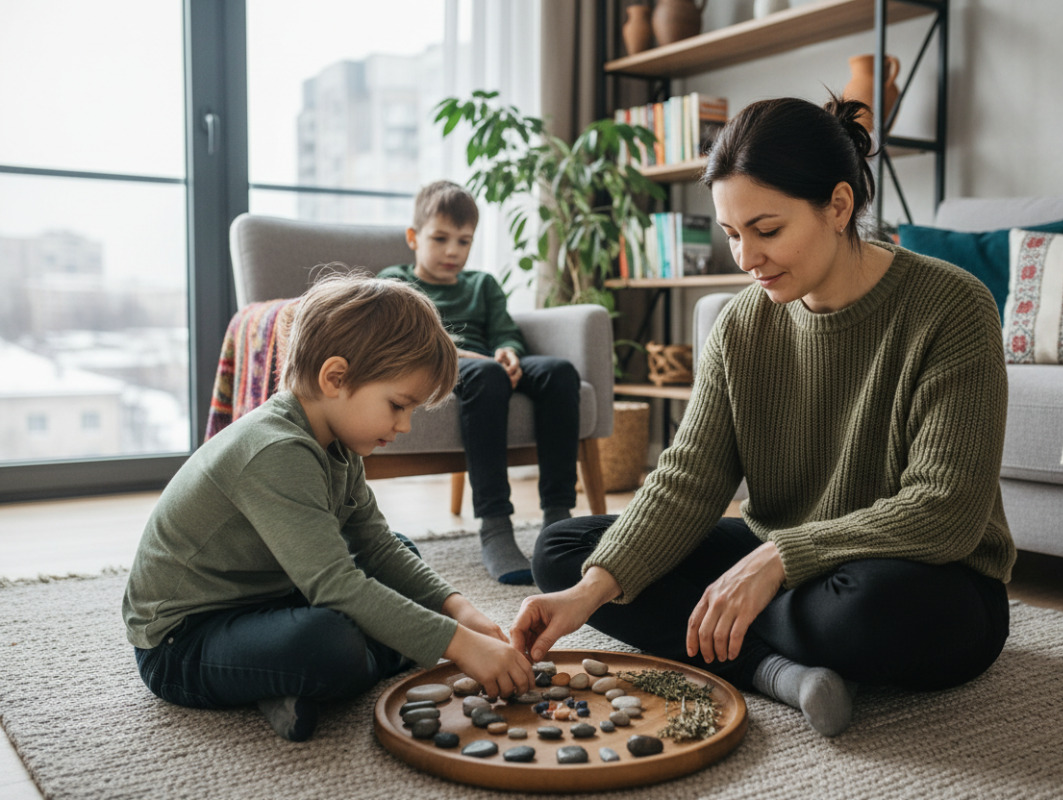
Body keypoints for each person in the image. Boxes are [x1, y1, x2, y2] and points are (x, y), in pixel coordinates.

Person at [511, 96, 1016, 738]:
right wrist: (587, 596)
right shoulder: (741, 325)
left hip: (924, 573)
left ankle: (758, 637)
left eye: (766, 230)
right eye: (731, 234)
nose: (746, 257)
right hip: (787, 557)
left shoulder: (952, 306)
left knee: (861, 614)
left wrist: (779, 558)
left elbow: (945, 508)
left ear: (839, 206)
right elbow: (689, 478)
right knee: (565, 555)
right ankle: (776, 671)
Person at [123, 273, 534, 742]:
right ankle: (300, 674)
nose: (404, 426)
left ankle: (287, 681)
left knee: (400, 551)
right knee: (328, 643)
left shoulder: (339, 444)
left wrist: (460, 611)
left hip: (268, 595)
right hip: (180, 641)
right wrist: (458, 645)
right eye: (398, 405)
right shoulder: (275, 450)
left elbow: (378, 547)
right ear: (335, 378)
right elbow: (335, 585)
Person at [378, 181, 581, 585]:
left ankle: (558, 519)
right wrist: (463, 356)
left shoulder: (482, 285)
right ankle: (495, 526)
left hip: (489, 365)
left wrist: (508, 351)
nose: (453, 251)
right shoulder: (395, 282)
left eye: (464, 241)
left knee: (559, 371)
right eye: (440, 239)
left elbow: (506, 332)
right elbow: (397, 341)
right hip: (437, 366)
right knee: (487, 375)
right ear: (413, 237)